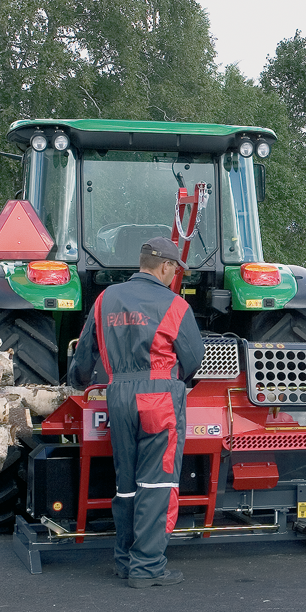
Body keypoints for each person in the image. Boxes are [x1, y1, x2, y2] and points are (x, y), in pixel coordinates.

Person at [67, 237, 204, 587]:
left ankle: (125, 561)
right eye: (175, 269)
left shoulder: (105, 299)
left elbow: (83, 358)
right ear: (166, 267)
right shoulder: (174, 305)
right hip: (158, 397)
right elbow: (192, 360)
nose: (175, 275)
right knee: (156, 485)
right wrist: (175, 381)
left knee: (126, 485)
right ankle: (147, 568)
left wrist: (78, 383)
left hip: (117, 397)